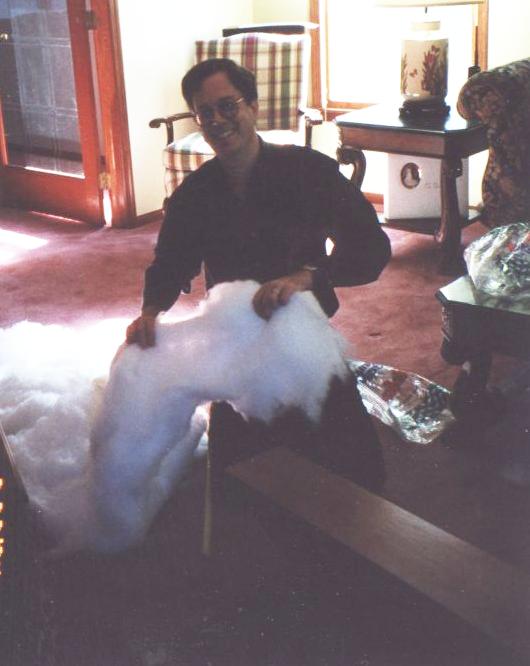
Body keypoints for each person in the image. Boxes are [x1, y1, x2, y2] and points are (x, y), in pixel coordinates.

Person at [126, 58, 391, 491]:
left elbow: (373, 249)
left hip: (303, 337)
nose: (217, 119)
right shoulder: (194, 195)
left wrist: (309, 276)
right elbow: (171, 261)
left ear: (252, 105)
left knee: (355, 478)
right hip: (237, 342)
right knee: (241, 486)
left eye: (228, 105)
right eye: (205, 112)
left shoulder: (309, 171)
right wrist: (151, 311)